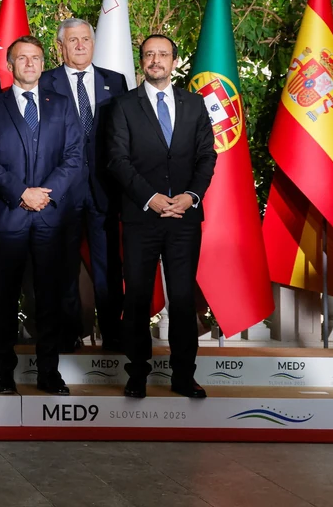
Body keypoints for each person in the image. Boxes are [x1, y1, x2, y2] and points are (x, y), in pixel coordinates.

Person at [107, 34, 217, 399]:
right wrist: (151, 198)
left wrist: (190, 197)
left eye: (163, 54)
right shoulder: (123, 105)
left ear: (174, 61)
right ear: (142, 61)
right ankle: (137, 374)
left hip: (184, 218)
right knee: (137, 299)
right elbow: (117, 160)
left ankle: (184, 376)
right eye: (149, 55)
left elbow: (207, 156)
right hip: (141, 217)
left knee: (183, 300)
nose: (156, 60)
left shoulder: (195, 104)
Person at [0, 36, 84, 395]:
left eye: (36, 58)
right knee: (5, 298)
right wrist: (22, 193)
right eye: (22, 58)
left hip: (51, 217)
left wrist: (43, 194)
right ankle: (4, 373)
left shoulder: (63, 106)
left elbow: (74, 156)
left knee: (49, 298)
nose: (29, 64)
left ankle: (48, 373)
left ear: (43, 63)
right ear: (10, 65)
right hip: (8, 217)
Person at [39, 18, 129, 352]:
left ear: (93, 43)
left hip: (104, 188)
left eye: (85, 39)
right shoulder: (45, 82)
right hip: (61, 189)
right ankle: (69, 333)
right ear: (60, 46)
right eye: (72, 40)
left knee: (109, 264)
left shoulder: (115, 81)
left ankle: (113, 333)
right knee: (63, 264)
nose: (80, 45)